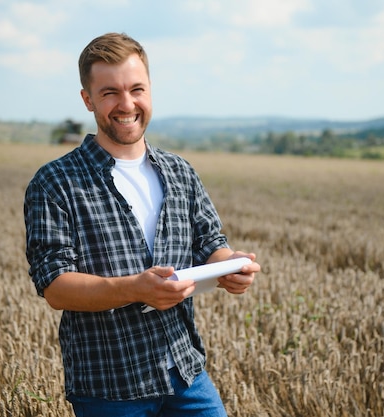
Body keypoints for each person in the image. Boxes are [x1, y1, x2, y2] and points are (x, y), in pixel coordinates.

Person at [24, 32, 260, 416]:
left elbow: (209, 241)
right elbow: (55, 287)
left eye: (137, 89)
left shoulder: (180, 171)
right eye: (110, 93)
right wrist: (135, 289)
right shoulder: (54, 183)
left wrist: (231, 264)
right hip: (110, 386)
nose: (127, 104)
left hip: (185, 373)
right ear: (87, 100)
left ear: (150, 90)